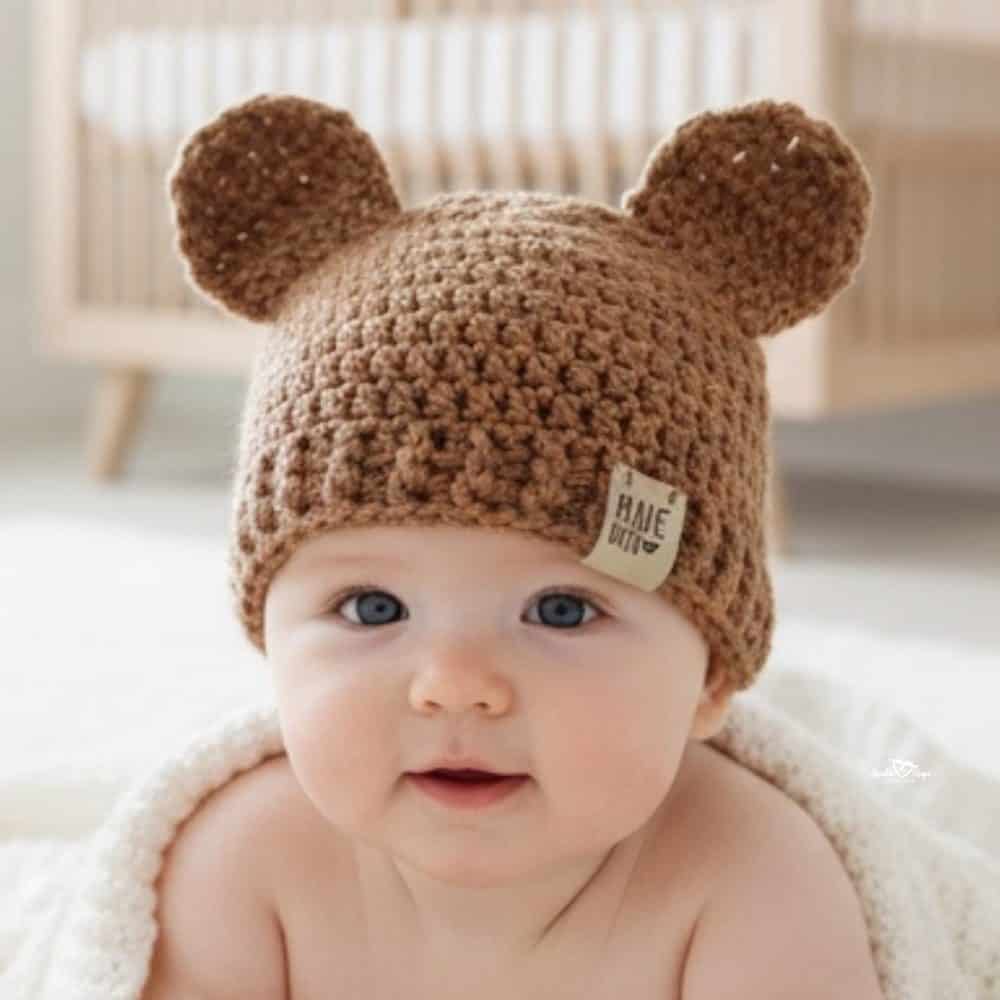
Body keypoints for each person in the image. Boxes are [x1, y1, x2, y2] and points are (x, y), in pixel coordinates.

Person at [143, 92, 883, 997]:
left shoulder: (752, 885)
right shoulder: (243, 870)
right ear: (270, 636)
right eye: (372, 608)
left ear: (713, 679)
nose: (455, 684)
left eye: (562, 610)